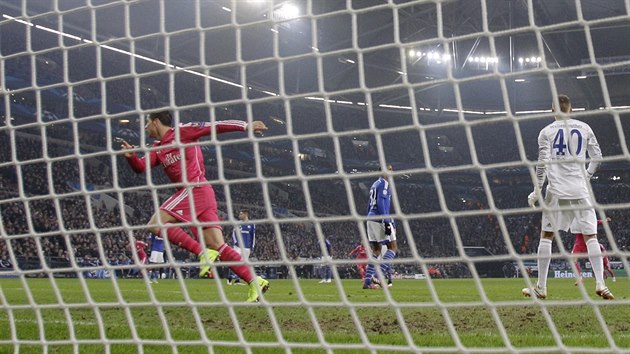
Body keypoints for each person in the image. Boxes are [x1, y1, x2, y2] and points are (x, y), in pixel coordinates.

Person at [121, 110, 270, 302]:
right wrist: (131, 157)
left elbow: (213, 126)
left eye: (147, 123)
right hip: (199, 195)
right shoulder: (158, 148)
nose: (145, 127)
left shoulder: (183, 132)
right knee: (218, 245)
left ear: (156, 122)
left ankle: (202, 253)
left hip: (195, 188)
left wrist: (245, 126)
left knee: (155, 224)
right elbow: (140, 167)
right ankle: (255, 282)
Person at [524, 94, 613, 300]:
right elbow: (597, 157)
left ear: (552, 109)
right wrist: (587, 176)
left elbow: (542, 164)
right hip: (580, 190)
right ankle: (600, 283)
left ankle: (541, 287)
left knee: (547, 236)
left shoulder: (546, 132)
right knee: (591, 236)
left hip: (555, 190)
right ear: (571, 109)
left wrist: (537, 190)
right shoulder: (584, 128)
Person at [363, 164, 395, 290]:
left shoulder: (374, 184)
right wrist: (387, 221)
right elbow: (381, 203)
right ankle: (377, 276)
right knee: (392, 248)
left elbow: (368, 205)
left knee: (376, 251)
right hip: (379, 218)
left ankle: (367, 281)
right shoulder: (385, 183)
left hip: (370, 218)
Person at [571, 218, 616, 284]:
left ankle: (581, 278)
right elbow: (597, 222)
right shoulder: (589, 221)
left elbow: (597, 222)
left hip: (580, 243)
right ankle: (598, 280)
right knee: (592, 261)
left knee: (574, 261)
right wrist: (605, 220)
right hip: (587, 243)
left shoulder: (578, 221)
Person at [227, 209, 255, 285]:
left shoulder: (252, 224)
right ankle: (230, 277)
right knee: (234, 261)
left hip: (246, 248)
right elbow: (233, 234)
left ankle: (237, 280)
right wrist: (236, 242)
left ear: (246, 215)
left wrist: (252, 246)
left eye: (241, 214)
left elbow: (253, 236)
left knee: (243, 264)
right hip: (238, 247)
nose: (239, 215)